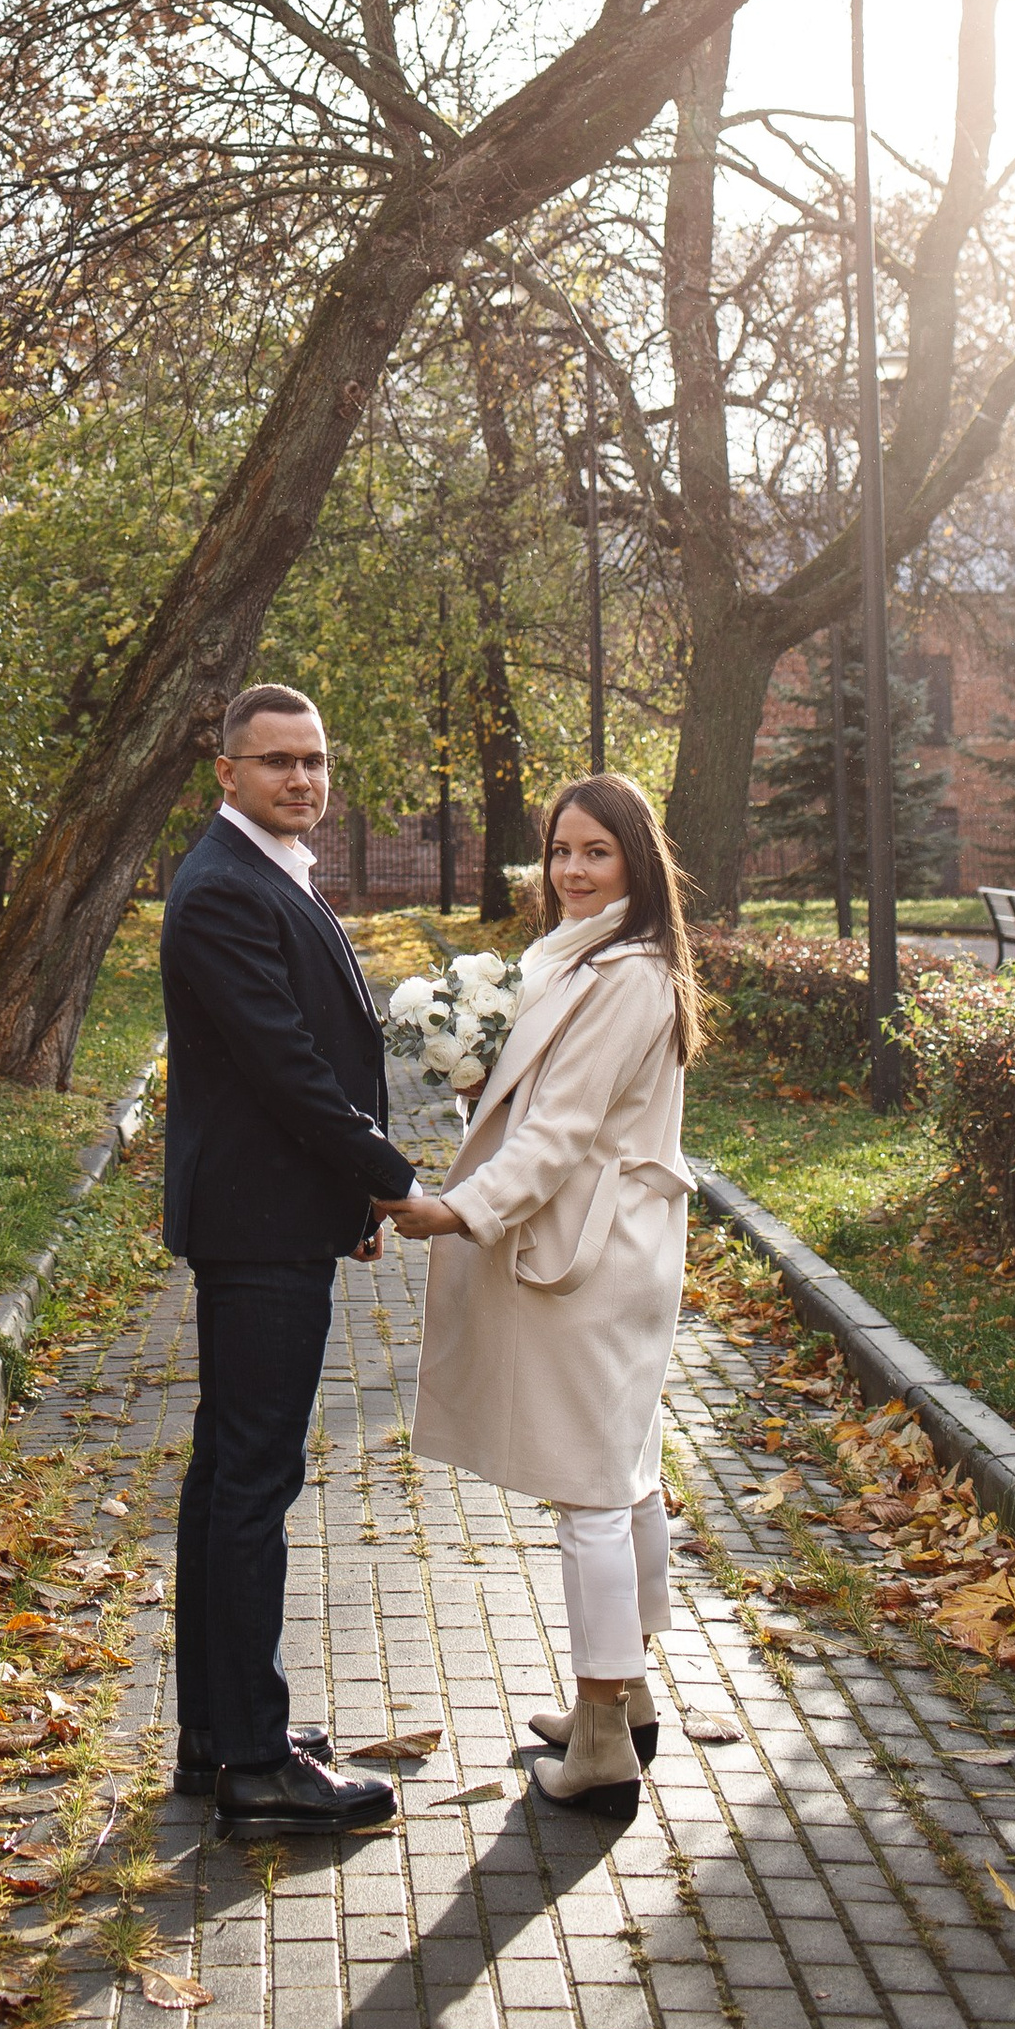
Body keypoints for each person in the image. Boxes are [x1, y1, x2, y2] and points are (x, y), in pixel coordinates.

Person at [379, 771, 701, 1822]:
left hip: (592, 1255)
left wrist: (460, 1209)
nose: (570, 870)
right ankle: (627, 1693)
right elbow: (543, 1095)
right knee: (627, 1472)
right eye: (559, 851)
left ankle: (604, 1737)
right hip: (609, 1246)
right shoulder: (580, 958)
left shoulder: (628, 975)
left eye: (594, 853)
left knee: (590, 1493)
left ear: (634, 864)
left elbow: (562, 1132)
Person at [158, 680, 416, 1838]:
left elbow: (316, 1050)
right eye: (276, 762)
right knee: (252, 1483)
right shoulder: (221, 888)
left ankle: (219, 1736)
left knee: (228, 1478)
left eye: (314, 759)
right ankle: (255, 1766)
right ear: (227, 773)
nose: (301, 780)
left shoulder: (266, 870)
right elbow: (287, 1068)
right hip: (255, 1224)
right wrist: (391, 1179)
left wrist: (345, 1196)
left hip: (273, 1213)